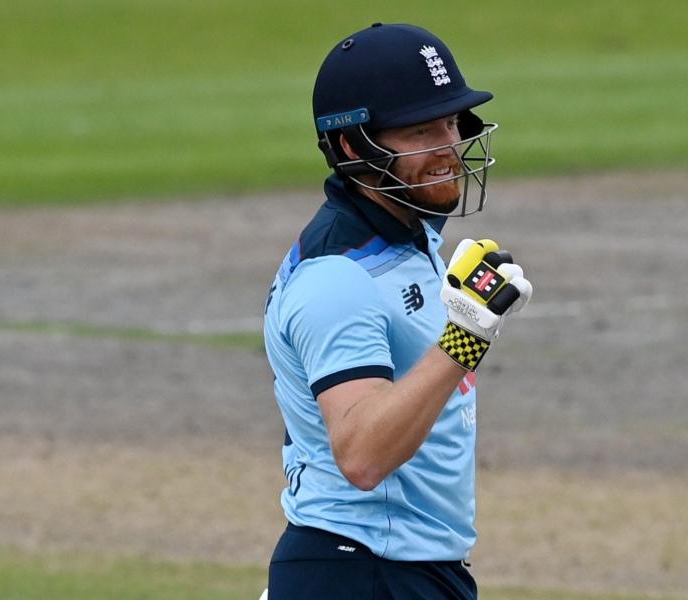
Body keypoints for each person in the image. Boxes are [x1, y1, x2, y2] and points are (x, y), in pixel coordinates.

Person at [262, 22, 533, 599]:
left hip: (399, 568)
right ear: (353, 146)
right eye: (420, 131)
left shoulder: (411, 234)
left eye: (453, 123)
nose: (450, 147)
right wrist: (467, 337)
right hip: (364, 569)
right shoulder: (337, 278)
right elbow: (362, 455)